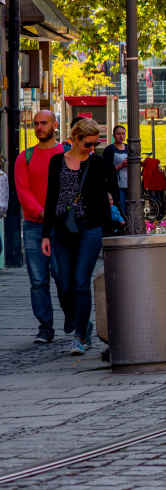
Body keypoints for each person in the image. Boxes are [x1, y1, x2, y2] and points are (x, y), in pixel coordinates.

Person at [41, 118, 115, 356]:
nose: (92, 148)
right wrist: (45, 235)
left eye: (95, 143)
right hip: (63, 229)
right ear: (75, 139)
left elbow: (104, 199)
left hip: (90, 228)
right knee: (64, 284)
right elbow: (51, 199)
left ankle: (80, 336)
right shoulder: (56, 162)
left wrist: (108, 232)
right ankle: (84, 322)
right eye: (88, 143)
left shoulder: (97, 163)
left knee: (81, 282)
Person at [16, 110, 69, 343]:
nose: (39, 127)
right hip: (34, 227)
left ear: (54, 125)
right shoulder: (24, 157)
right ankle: (45, 327)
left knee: (64, 278)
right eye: (36, 123)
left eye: (44, 123)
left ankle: (75, 319)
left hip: (62, 227)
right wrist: (41, 212)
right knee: (38, 281)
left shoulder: (67, 153)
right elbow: (22, 191)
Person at [102, 125, 129, 216]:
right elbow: (105, 169)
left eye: (123, 134)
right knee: (121, 207)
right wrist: (121, 165)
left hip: (129, 184)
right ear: (114, 135)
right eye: (118, 134)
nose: (121, 136)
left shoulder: (129, 148)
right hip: (117, 184)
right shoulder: (109, 150)